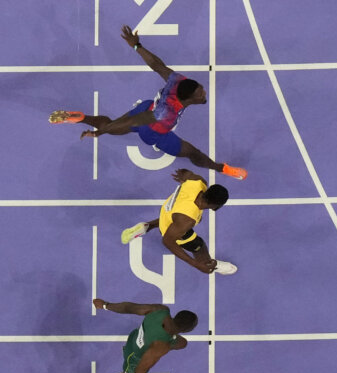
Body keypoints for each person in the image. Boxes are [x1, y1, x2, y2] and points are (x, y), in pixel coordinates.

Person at [49, 25, 247, 179]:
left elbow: (156, 64)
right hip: (152, 129)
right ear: (187, 99)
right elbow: (133, 123)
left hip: (146, 108)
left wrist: (137, 45)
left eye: (201, 91)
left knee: (111, 124)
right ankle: (223, 168)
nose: (204, 95)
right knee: (192, 153)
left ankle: (82, 117)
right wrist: (101, 132)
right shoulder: (165, 115)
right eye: (200, 96)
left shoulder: (177, 80)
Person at [83, 299, 197, 373]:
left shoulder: (160, 310)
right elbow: (140, 372)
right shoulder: (161, 346)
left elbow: (129, 307)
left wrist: (106, 305)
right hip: (135, 356)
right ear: (186, 331)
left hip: (134, 337)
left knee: (182, 343)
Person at [122, 168, 237, 275]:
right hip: (171, 226)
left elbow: (186, 173)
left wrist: (183, 176)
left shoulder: (199, 182)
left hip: (168, 211)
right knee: (199, 246)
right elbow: (167, 241)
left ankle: (147, 226)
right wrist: (196, 264)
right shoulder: (188, 220)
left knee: (175, 221)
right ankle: (212, 265)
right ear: (215, 205)